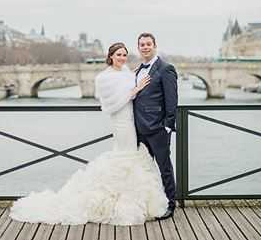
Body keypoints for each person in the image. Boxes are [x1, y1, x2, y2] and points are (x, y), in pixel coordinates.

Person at [10, 42, 168, 225]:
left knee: (129, 158)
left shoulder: (126, 72)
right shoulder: (103, 78)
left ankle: (124, 198)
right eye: (118, 55)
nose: (122, 58)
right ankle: (117, 202)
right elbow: (109, 105)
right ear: (110, 57)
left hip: (133, 120)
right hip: (121, 122)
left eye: (124, 55)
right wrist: (135, 90)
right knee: (125, 158)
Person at [133, 32, 178, 219]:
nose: (145, 47)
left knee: (164, 167)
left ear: (154, 45)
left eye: (148, 44)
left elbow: (172, 99)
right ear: (138, 48)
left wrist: (168, 125)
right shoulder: (136, 71)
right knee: (143, 169)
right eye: (142, 44)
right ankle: (149, 203)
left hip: (158, 129)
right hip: (138, 129)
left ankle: (170, 204)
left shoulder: (166, 69)